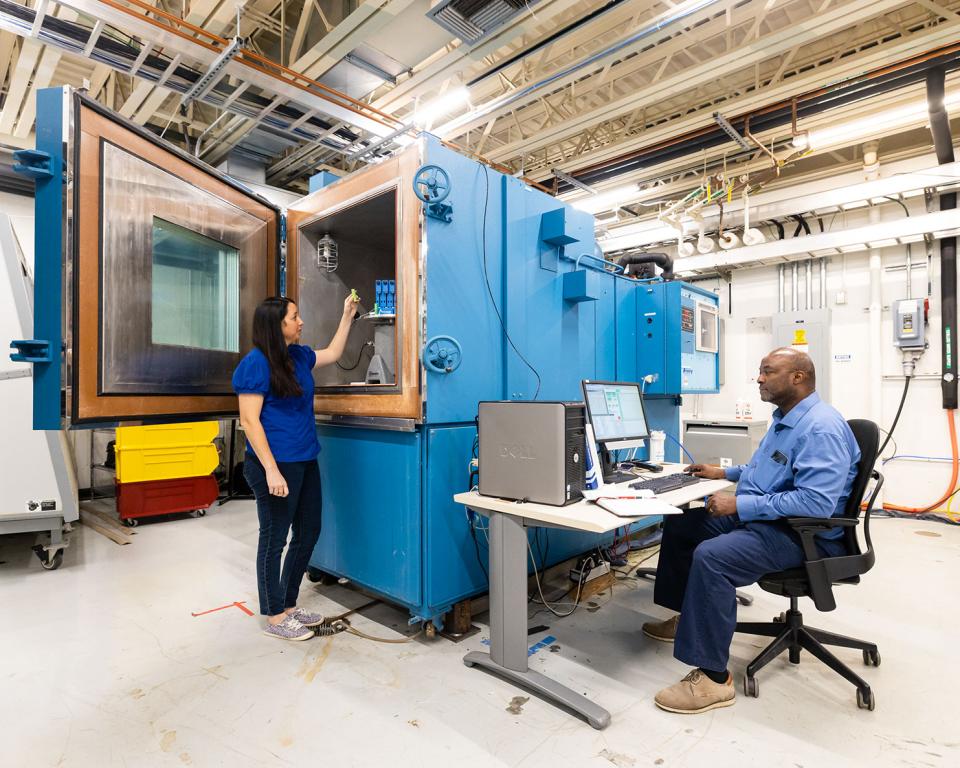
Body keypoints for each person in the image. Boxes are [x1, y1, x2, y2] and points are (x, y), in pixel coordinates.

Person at [643, 347, 860, 713]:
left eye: (767, 371)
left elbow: (816, 504)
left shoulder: (821, 428)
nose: (759, 378)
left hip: (803, 535)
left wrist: (739, 504)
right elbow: (768, 469)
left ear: (798, 377)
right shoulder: (786, 418)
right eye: (760, 371)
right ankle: (688, 620)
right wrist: (723, 474)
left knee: (712, 557)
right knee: (684, 525)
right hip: (769, 517)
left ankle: (714, 679)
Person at [233, 293, 359, 641]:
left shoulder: (299, 356)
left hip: (305, 459)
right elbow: (249, 420)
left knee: (308, 532)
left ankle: (289, 605)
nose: (300, 322)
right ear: (277, 325)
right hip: (273, 465)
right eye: (294, 317)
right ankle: (275, 617)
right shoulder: (255, 364)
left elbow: (332, 353)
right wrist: (271, 471)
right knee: (273, 539)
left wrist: (347, 315)